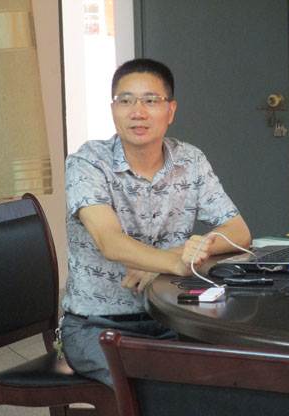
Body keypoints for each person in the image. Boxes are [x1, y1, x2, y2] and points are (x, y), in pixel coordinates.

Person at [61, 58, 251, 386]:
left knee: (239, 374)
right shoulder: (87, 163)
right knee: (163, 390)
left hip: (176, 319)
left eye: (150, 100)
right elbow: (110, 242)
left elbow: (238, 232)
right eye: (126, 101)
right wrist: (175, 263)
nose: (138, 112)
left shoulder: (190, 160)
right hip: (99, 327)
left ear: (170, 110)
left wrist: (166, 260)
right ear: (113, 109)